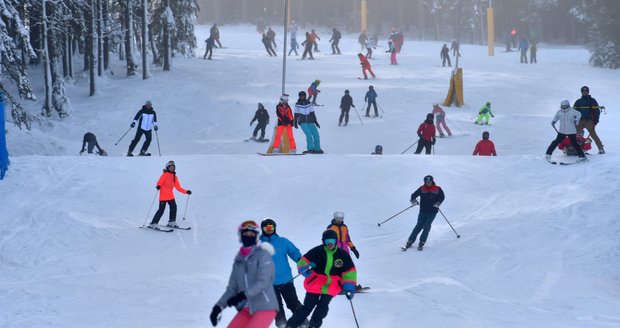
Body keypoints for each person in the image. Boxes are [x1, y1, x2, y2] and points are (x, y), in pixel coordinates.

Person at [209, 220, 278, 328]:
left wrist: (243, 295)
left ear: (256, 237)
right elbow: (232, 289)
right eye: (245, 233)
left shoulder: (263, 255)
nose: (248, 236)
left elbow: (264, 281)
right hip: (246, 309)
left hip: (265, 307)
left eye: (252, 234)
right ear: (240, 236)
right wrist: (218, 307)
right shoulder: (239, 261)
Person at [285, 229, 357, 328]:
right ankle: (291, 325)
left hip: (332, 285)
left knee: (322, 307)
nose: (330, 244)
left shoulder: (343, 255)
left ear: (336, 241)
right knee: (308, 306)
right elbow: (303, 262)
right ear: (323, 241)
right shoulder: (317, 251)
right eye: (327, 241)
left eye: (332, 241)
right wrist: (307, 269)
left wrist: (349, 287)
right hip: (315, 283)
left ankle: (314, 325)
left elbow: (349, 272)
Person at [259, 218, 304, 328]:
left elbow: (294, 252)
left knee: (293, 303)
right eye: (267, 228)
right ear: (263, 229)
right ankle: (282, 325)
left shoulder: (283, 241)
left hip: (286, 280)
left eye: (271, 227)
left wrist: (301, 261)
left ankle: (303, 323)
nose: (269, 230)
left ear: (274, 228)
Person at [403, 175, 445, 251]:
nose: (428, 183)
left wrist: (438, 203)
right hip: (423, 211)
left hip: (432, 211)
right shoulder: (422, 188)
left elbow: (442, 197)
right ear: (425, 182)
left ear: (432, 181)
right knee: (419, 225)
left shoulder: (438, 189)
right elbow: (413, 195)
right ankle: (410, 240)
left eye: (430, 182)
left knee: (427, 226)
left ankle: (422, 241)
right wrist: (414, 201)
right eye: (427, 182)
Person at [148, 161, 191, 229]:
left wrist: (186, 191)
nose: (172, 168)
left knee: (174, 207)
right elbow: (159, 182)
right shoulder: (165, 175)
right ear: (167, 168)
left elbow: (178, 187)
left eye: (173, 167)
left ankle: (171, 222)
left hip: (170, 195)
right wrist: (158, 186)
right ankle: (153, 223)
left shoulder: (175, 177)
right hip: (163, 195)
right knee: (161, 209)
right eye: (170, 167)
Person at [573, 86, 604, 154]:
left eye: (586, 91)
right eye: (583, 91)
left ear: (588, 92)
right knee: (573, 133)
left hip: (589, 121)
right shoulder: (578, 101)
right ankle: (574, 148)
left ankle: (601, 148)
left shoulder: (592, 100)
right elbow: (573, 112)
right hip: (580, 121)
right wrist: (574, 120)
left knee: (593, 135)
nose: (584, 92)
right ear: (581, 92)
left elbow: (597, 111)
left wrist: (596, 120)